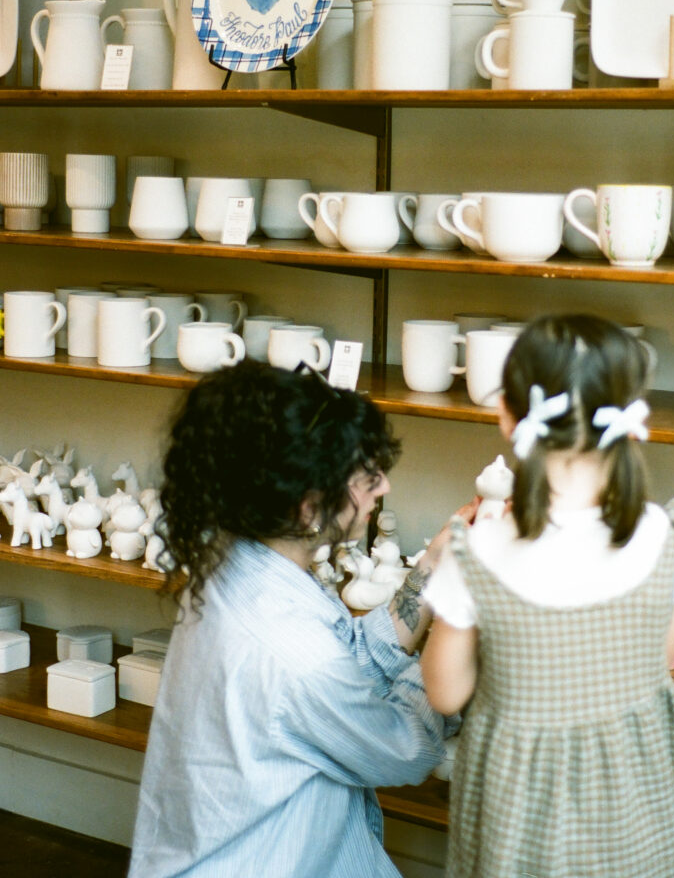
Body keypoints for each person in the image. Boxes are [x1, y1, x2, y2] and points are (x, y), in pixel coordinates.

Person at [129, 360, 472, 878]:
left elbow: (345, 657)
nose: (382, 488)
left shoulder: (236, 564)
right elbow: (402, 747)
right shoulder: (294, 654)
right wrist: (449, 626)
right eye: (366, 478)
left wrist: (429, 570)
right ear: (309, 510)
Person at [421, 313, 674, 878]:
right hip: (637, 804)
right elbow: (661, 653)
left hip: (521, 812)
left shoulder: (477, 552)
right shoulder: (662, 536)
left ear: (508, 417)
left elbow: (446, 692)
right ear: (629, 419)